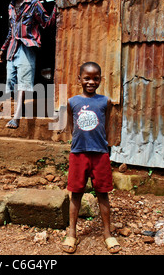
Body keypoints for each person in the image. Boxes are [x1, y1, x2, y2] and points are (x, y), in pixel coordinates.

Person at [61, 62, 121, 254]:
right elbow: (71, 126)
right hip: (79, 153)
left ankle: (107, 233)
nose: (91, 82)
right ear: (79, 79)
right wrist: (76, 143)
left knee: (103, 193)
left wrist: (107, 147)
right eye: (87, 78)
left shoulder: (105, 102)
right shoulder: (72, 102)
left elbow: (108, 126)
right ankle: (72, 233)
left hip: (100, 154)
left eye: (95, 78)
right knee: (75, 193)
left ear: (100, 80)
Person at [0, 0, 57, 129]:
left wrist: (57, 7)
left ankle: (16, 117)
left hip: (26, 46)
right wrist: (3, 48)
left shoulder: (34, 4)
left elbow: (46, 23)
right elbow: (11, 30)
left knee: (23, 81)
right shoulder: (10, 6)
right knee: (11, 81)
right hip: (12, 47)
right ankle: (20, 108)